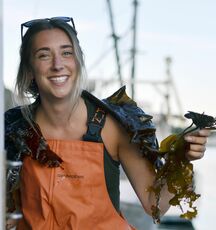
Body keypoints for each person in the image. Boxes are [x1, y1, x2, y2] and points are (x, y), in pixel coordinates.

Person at [5, 17, 210, 230]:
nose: (58, 65)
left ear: (78, 61)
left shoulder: (112, 125)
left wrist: (181, 159)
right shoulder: (13, 128)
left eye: (66, 53)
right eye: (44, 55)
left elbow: (154, 205)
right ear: (29, 68)